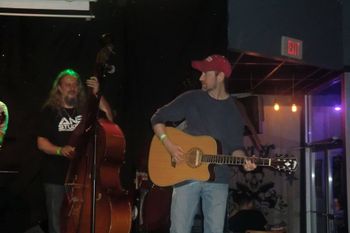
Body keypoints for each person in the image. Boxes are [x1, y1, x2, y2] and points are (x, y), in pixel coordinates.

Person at [150, 54, 261, 233]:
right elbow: (157, 118)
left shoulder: (235, 111)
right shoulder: (192, 98)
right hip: (185, 175)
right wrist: (168, 145)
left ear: (220, 76)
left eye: (205, 73)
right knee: (179, 230)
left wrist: (244, 161)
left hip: (219, 179)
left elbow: (236, 148)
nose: (200, 77)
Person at [37, 68, 113, 233]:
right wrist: (60, 150)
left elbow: (109, 118)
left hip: (82, 175)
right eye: (67, 84)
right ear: (59, 88)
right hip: (55, 176)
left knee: (80, 221)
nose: (72, 88)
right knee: (56, 222)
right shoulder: (49, 111)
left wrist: (98, 94)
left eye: (75, 85)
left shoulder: (86, 109)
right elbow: (41, 142)